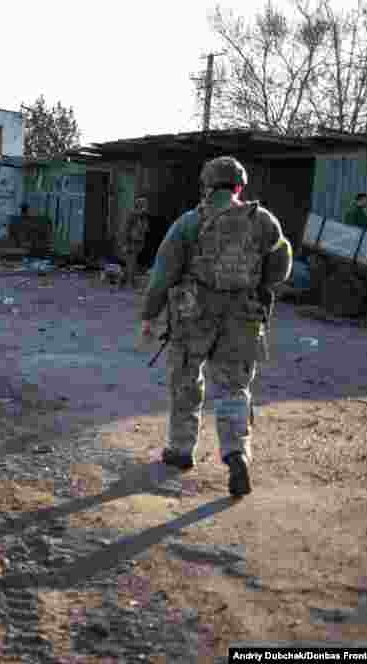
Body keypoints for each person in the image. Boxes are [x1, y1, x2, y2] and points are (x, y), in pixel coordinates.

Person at [139, 156, 292, 497]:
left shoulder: (189, 222)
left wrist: (150, 315)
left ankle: (180, 451)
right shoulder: (265, 221)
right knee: (234, 387)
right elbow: (282, 267)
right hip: (243, 316)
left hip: (194, 315)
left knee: (185, 380)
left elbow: (163, 274)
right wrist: (256, 287)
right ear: (240, 187)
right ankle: (236, 453)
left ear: (206, 187)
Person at [118, 196, 150, 289]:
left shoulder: (143, 216)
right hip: (131, 242)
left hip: (137, 242)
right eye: (144, 205)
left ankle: (124, 282)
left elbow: (145, 229)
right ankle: (128, 283)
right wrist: (124, 244)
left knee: (131, 263)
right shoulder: (132, 215)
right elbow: (125, 229)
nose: (146, 207)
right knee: (131, 263)